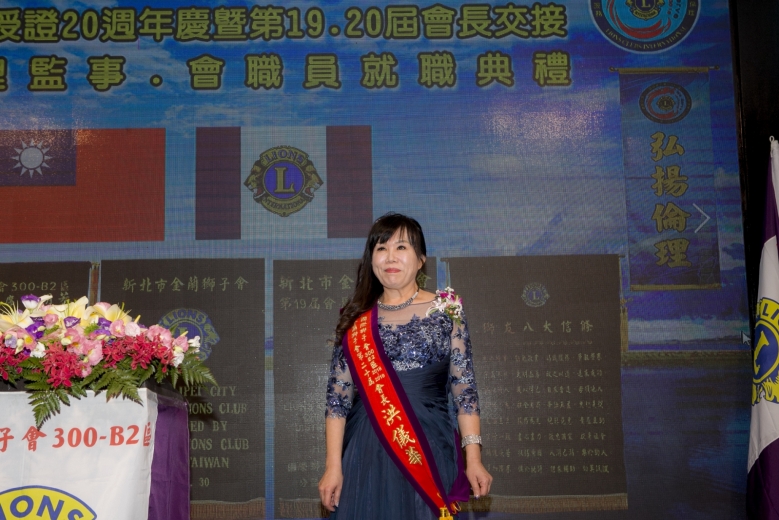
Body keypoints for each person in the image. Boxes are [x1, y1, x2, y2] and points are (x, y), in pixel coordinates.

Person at [319, 213, 492, 520]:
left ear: (421, 259)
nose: (390, 257)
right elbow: (337, 401)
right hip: (366, 449)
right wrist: (333, 466)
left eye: (401, 247)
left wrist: (474, 458)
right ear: (371, 259)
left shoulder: (446, 311)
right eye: (381, 248)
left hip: (430, 446)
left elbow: (465, 392)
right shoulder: (356, 321)